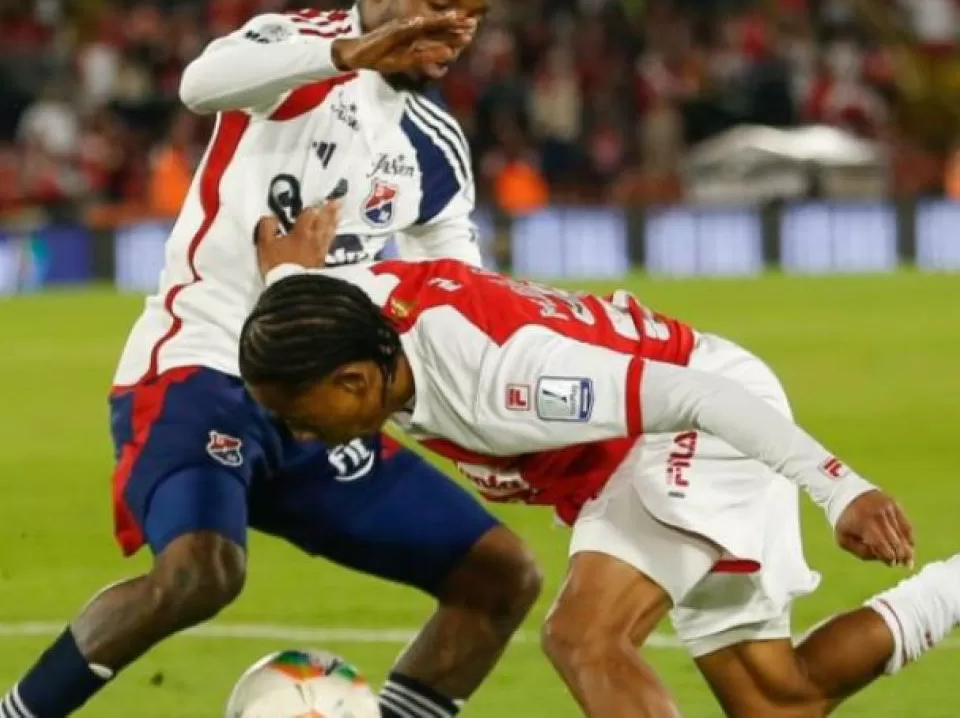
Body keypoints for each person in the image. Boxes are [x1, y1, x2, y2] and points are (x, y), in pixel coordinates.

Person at [0, 0, 542, 718]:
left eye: (472, 15)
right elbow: (199, 84)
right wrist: (350, 52)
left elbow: (460, 288)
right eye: (439, 2)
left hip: (324, 410)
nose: (455, 28)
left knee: (502, 575)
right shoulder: (296, 49)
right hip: (202, 368)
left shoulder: (433, 144)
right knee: (202, 572)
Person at [238, 208, 959, 718]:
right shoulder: (343, 322)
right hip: (639, 447)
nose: (300, 434)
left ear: (355, 381)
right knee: (779, 700)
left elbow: (700, 397)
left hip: (696, 422)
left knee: (584, 637)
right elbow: (300, 299)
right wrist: (283, 273)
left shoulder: (505, 380)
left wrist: (841, 490)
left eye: (300, 415)